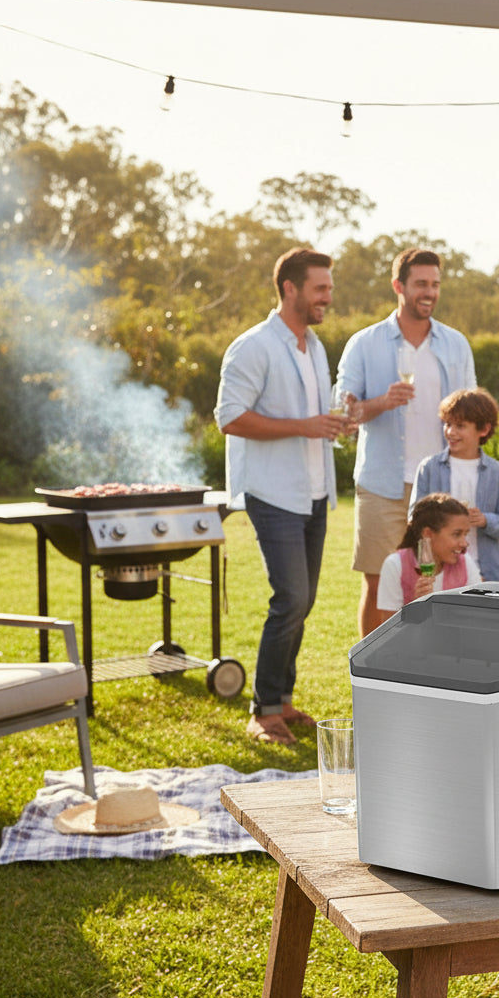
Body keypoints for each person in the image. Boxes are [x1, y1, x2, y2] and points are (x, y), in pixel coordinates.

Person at [214, 247, 346, 747]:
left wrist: (333, 422)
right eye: (320, 288)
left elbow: (314, 416)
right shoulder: (252, 347)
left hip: (314, 490)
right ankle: (263, 710)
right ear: (290, 288)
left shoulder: (314, 346)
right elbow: (229, 417)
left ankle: (283, 698)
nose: (328, 297)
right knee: (290, 597)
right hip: (272, 492)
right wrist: (304, 426)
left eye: (329, 288)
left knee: (304, 600)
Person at [336, 248, 476, 637]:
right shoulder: (364, 344)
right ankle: (370, 675)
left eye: (435, 284)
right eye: (420, 284)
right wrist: (381, 402)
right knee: (380, 582)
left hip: (439, 487)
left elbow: (472, 409)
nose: (429, 292)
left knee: (446, 582)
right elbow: (344, 414)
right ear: (399, 286)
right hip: (383, 484)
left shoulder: (455, 344)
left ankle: (433, 668)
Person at [410, 387, 499, 581]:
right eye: (447, 424)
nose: (450, 432)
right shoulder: (429, 467)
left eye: (460, 426)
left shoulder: (497, 472)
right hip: (439, 569)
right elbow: (413, 518)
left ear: (483, 429)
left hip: (486, 571)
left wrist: (485, 520)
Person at [376, 493, 482, 625]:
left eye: (465, 534)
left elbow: (478, 618)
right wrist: (416, 609)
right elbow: (388, 631)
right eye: (456, 534)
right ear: (428, 534)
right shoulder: (396, 565)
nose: (464, 543)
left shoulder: (465, 562)